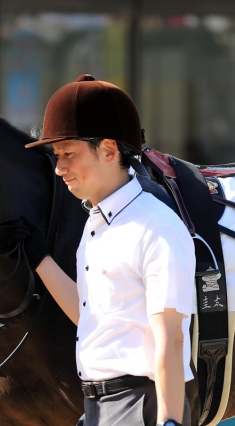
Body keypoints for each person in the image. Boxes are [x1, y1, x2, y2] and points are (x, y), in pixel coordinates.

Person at [19, 74, 195, 426]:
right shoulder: (97, 223)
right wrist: (38, 258)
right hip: (97, 407)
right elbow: (92, 316)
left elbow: (172, 337)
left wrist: (171, 421)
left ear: (110, 150)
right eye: (57, 156)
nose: (59, 168)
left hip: (140, 405)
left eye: (68, 153)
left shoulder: (155, 226)